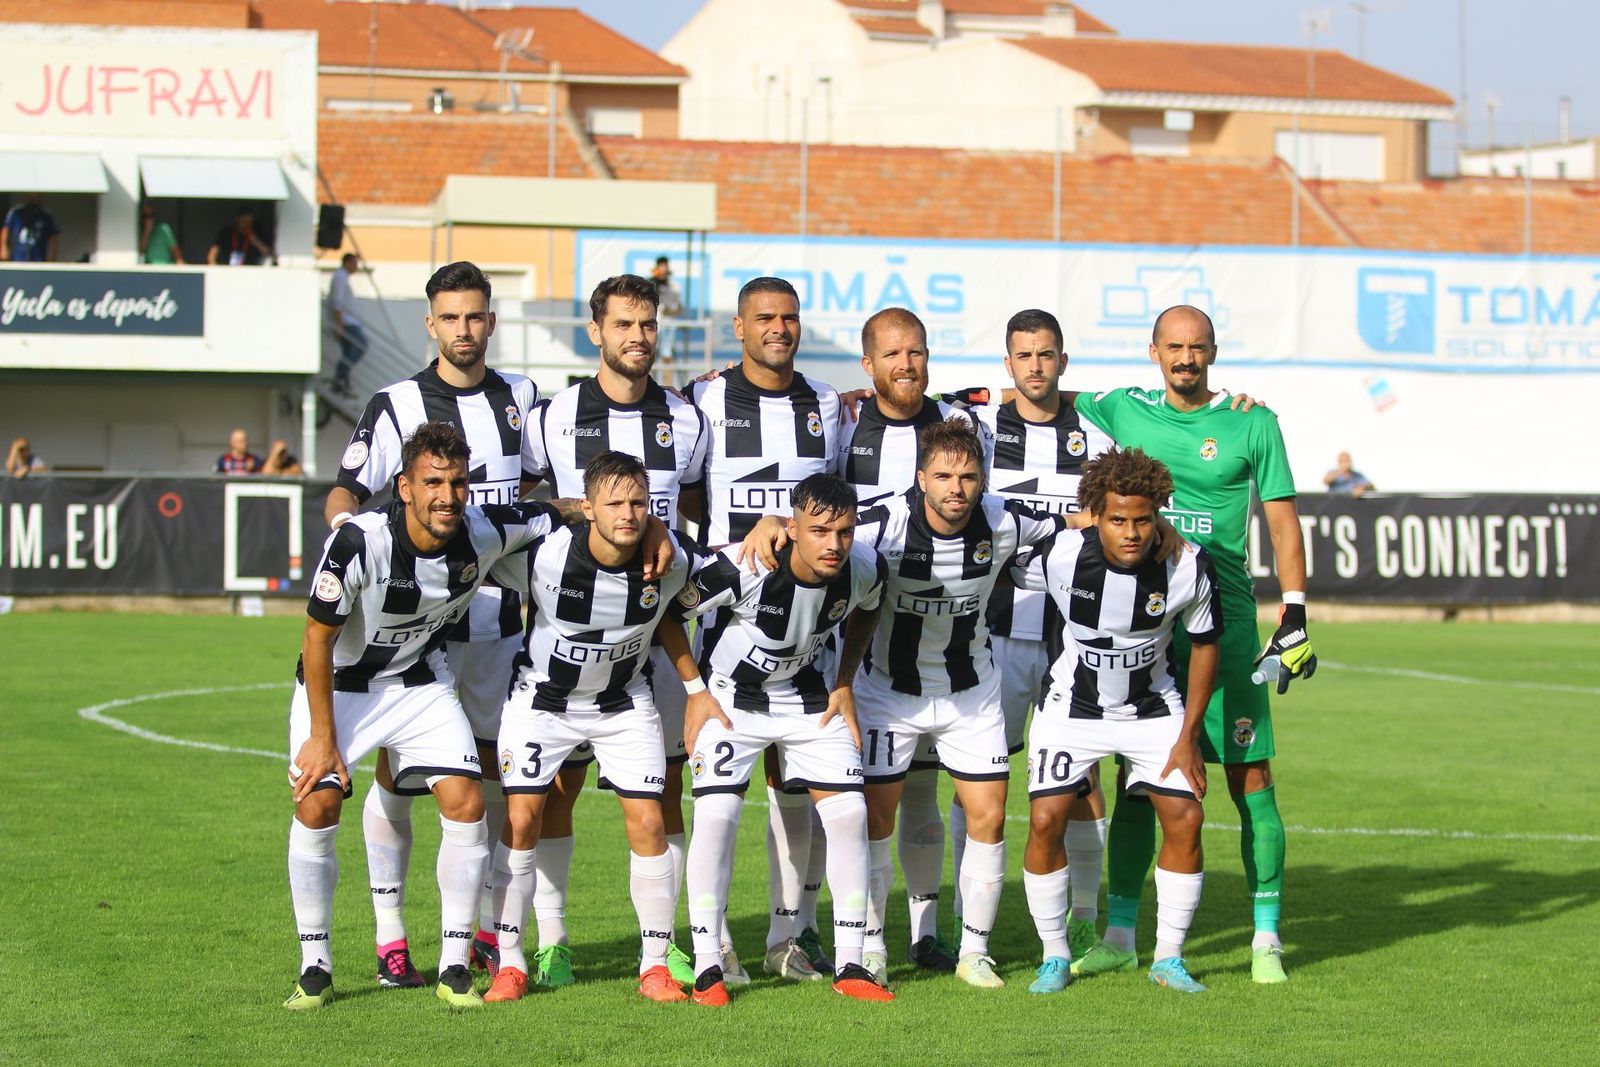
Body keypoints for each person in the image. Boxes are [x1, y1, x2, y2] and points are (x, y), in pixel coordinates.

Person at [1071, 305, 1317, 986]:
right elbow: (1044, 392)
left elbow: (1284, 524)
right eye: (1175, 347)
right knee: (1138, 786)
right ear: (1154, 351)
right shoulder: (1124, 407)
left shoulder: (1252, 422)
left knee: (1252, 781)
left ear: (1213, 350)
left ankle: (1266, 937)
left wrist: (1294, 611)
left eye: (1197, 347)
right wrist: (955, 394)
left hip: (1230, 622)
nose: (1187, 358)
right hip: (1148, 627)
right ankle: (1122, 933)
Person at [282, 421, 563, 1011]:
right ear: (403, 487)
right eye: (432, 482)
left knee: (464, 802)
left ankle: (455, 965)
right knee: (319, 801)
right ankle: (315, 965)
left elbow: (549, 512)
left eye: (458, 483)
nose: (447, 495)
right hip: (342, 685)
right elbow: (316, 636)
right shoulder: (360, 540)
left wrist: (605, 510)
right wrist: (323, 740)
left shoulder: (480, 531)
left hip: (418, 684)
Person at [325, 261, 544, 991]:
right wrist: (352, 570)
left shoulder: (521, 398)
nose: (464, 329)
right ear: (431, 324)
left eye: (476, 315)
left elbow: (541, 497)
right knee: (397, 775)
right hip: (419, 634)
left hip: (503, 630)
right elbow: (345, 497)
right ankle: (391, 936)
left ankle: (480, 931)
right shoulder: (395, 404)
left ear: (491, 320)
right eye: (450, 317)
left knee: (486, 780)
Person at [520, 274, 709, 990]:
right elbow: (527, 501)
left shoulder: (687, 420)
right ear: (595, 331)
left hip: (652, 630)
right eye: (623, 324)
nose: (637, 337)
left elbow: (698, 506)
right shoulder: (554, 414)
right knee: (556, 792)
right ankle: (554, 939)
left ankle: (666, 945)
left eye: (647, 324)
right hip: (569, 632)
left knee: (662, 792)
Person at [667, 473, 894, 1006]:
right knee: (718, 818)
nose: (833, 544)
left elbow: (869, 606)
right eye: (819, 531)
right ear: (792, 528)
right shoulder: (744, 566)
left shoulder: (863, 565)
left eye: (843, 530)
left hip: (810, 702)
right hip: (730, 703)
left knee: (850, 816)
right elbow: (669, 614)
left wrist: (845, 682)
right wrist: (694, 689)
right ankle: (708, 966)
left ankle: (853, 963)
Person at [480, 451, 697, 1005]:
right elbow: (478, 523)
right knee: (524, 817)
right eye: (614, 503)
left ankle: (654, 964)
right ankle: (510, 961)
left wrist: (769, 525)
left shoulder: (669, 560)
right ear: (587, 506)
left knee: (649, 820)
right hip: (543, 702)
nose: (628, 514)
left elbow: (717, 579)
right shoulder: (544, 554)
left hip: (624, 704)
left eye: (638, 503)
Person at [1014, 446, 1220, 995]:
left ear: (1160, 516)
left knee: (1186, 819)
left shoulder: (1188, 564)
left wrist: (1188, 736)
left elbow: (1204, 647)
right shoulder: (1060, 554)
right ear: (1096, 516)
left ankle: (1168, 959)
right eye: (1117, 520)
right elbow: (997, 556)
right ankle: (1055, 955)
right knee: (1044, 821)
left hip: (1153, 710)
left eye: (1143, 520)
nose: (1131, 532)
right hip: (1071, 708)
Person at [687, 275, 845, 984]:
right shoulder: (702, 400)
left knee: (796, 782)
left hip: (806, 630)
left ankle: (787, 937)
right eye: (764, 318)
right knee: (712, 786)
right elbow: (686, 488)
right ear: (738, 327)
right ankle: (711, 938)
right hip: (722, 621)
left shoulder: (828, 405)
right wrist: (728, 543)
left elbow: (834, 497)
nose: (778, 328)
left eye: (789, 317)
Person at [835, 306, 991, 976]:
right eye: (893, 354)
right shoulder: (840, 421)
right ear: (868, 365)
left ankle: (930, 935)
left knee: (928, 798)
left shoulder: (964, 421)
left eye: (918, 352)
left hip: (959, 650)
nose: (908, 364)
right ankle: (829, 932)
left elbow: (1036, 395)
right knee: (844, 799)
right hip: (862, 641)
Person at [969, 309, 1115, 962]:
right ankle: (975, 929)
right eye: (1023, 354)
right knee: (984, 782)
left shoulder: (1094, 435)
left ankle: (1084, 919)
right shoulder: (978, 429)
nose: (1034, 365)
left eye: (1046, 353)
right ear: (1008, 364)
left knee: (1081, 781)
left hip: (1071, 639)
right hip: (992, 631)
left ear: (1062, 361)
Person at [328, 253, 368, 395]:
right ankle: (340, 375)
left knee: (348, 352)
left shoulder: (343, 277)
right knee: (362, 344)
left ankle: (342, 381)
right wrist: (339, 326)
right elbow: (337, 303)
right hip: (345, 322)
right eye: (354, 263)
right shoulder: (340, 277)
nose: (356, 266)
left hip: (347, 321)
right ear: (348, 262)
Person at [2, 193, 58, 262]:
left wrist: (51, 259)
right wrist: (4, 249)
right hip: (18, 257)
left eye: (37, 195)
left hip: (38, 258)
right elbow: (6, 230)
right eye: (31, 195)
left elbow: (53, 238)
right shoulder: (16, 211)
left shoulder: (46, 215)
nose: (33, 197)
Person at [207, 208, 274, 266]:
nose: (246, 224)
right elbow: (213, 253)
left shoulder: (256, 233)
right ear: (237, 220)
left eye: (249, 222)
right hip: (227, 270)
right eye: (244, 221)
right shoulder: (226, 233)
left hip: (249, 272)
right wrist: (215, 268)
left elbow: (267, 252)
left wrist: (253, 239)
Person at [651, 256, 684, 363]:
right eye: (660, 266)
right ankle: (650, 378)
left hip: (668, 322)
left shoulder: (673, 285)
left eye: (664, 266)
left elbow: (678, 307)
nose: (662, 269)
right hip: (654, 321)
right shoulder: (650, 283)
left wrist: (669, 311)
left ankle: (666, 379)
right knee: (651, 354)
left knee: (667, 355)